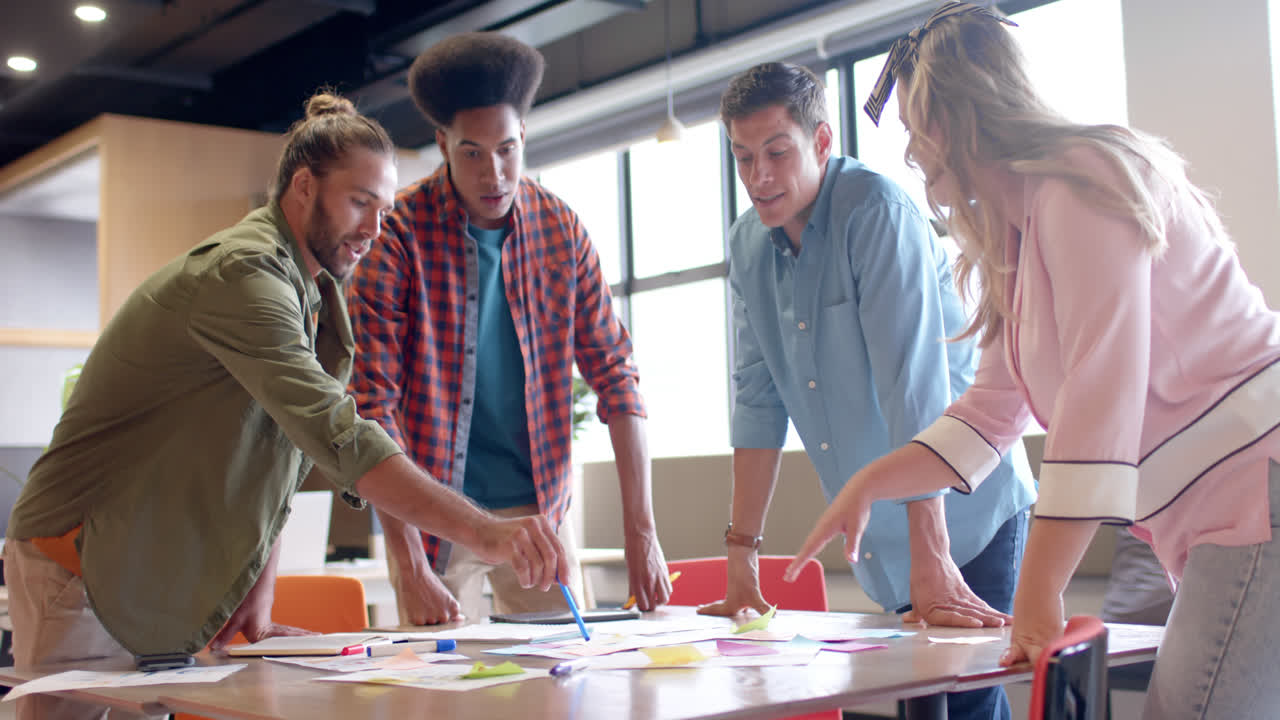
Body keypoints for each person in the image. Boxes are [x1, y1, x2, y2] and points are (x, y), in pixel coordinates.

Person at [3, 91, 567, 720]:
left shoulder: (311, 288)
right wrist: (485, 531)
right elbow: (337, 433)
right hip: (79, 560)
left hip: (145, 561)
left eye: (383, 208)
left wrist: (256, 591)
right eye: (359, 203)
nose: (373, 230)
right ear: (304, 187)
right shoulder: (245, 275)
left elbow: (285, 442)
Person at [790, 3, 1280, 717]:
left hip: (1253, 490)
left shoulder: (1083, 182)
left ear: (956, 120)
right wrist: (871, 482)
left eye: (915, 131)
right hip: (1214, 517)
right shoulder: (1016, 239)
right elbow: (989, 416)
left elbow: (1097, 398)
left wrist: (1040, 586)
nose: (914, 155)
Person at [701, 60, 1036, 720]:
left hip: (965, 516)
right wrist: (742, 560)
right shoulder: (747, 246)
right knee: (916, 708)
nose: (758, 177)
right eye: (742, 158)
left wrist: (932, 556)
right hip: (883, 529)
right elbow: (756, 401)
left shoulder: (875, 211)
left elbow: (913, 388)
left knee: (963, 707)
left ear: (822, 141)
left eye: (777, 152)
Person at [347, 32, 671, 626]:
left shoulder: (560, 230)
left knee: (565, 688)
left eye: (508, 149)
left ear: (525, 136)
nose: (493, 173)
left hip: (538, 515)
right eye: (471, 152)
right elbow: (372, 409)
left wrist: (641, 530)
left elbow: (617, 377)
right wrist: (409, 563)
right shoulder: (396, 237)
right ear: (442, 143)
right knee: (436, 700)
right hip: (431, 512)